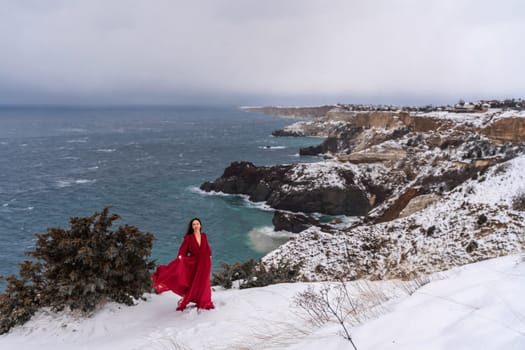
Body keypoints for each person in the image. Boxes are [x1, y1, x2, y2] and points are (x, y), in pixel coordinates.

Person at [152, 217, 215, 311]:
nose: (196, 225)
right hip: (196, 263)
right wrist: (180, 258)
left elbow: (207, 248)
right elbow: (182, 250)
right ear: (192, 227)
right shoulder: (189, 238)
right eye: (194, 224)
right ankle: (192, 298)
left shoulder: (204, 236)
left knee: (205, 282)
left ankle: (204, 301)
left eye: (197, 224)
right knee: (195, 282)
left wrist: (210, 255)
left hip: (206, 262)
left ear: (200, 225)